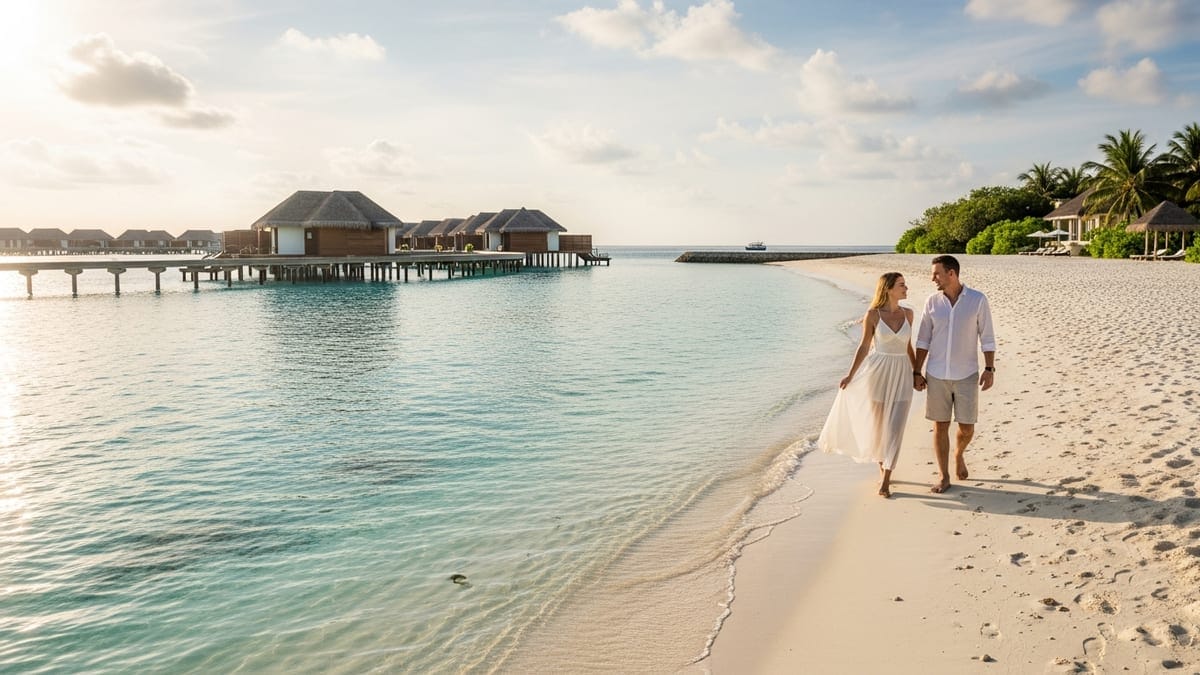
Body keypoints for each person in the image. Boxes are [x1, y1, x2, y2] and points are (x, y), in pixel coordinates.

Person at [817, 272, 918, 498]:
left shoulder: (909, 314)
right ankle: (883, 471)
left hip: (902, 372)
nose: (906, 288)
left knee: (895, 429)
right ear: (889, 288)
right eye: (902, 285)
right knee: (879, 428)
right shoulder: (872, 315)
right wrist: (850, 375)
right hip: (877, 373)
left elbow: (908, 346)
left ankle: (886, 479)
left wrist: (917, 372)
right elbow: (863, 347)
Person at [912, 255, 996, 494]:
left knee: (967, 427)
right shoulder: (931, 302)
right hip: (936, 373)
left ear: (952, 273)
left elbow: (987, 337)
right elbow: (923, 339)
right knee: (940, 425)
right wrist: (917, 371)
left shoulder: (977, 300)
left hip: (967, 374)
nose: (933, 278)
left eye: (936, 273)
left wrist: (989, 369)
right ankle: (943, 475)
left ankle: (958, 453)